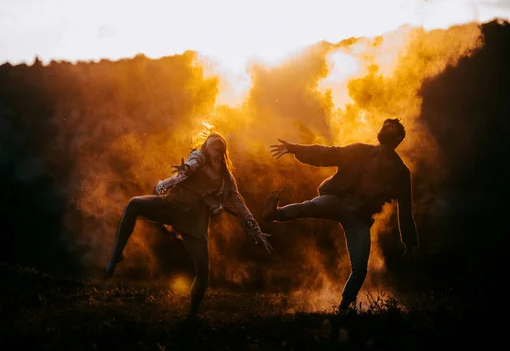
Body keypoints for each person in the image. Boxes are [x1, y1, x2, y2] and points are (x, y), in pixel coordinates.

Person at [105, 126, 273, 321]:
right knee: (134, 204)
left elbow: (240, 205)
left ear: (224, 152)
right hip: (172, 206)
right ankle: (116, 256)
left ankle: (192, 313)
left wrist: (256, 231)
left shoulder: (226, 180)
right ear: (206, 148)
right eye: (213, 147)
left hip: (194, 224)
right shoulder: (198, 158)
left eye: (220, 148)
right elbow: (192, 163)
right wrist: (187, 169)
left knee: (203, 272)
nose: (217, 151)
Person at [263, 118, 419, 314]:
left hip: (359, 219)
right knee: (307, 207)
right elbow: (328, 153)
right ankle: (275, 213)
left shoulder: (401, 173)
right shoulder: (360, 150)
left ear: (398, 138)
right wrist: (294, 148)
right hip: (336, 200)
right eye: (384, 126)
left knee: (360, 269)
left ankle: (343, 309)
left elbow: (405, 208)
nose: (385, 128)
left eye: (390, 128)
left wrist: (410, 242)